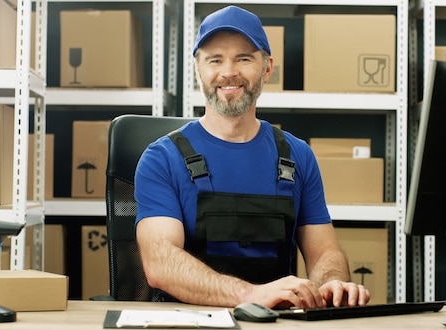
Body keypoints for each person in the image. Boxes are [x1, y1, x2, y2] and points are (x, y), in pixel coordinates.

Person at [134, 5, 370, 309]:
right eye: (215, 60)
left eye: (243, 59)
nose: (228, 72)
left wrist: (331, 282)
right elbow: (161, 264)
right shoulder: (162, 158)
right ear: (198, 70)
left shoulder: (297, 156)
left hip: (278, 323)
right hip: (190, 324)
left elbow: (325, 252)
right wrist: (251, 296)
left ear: (267, 68)